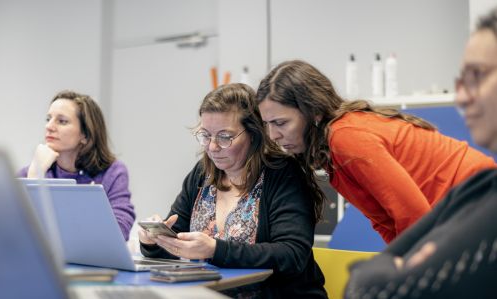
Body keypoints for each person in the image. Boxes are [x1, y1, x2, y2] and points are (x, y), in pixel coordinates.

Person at [344, 8, 497, 298]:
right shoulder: (478, 189)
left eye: (477, 76)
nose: (462, 97)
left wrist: (397, 268)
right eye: (461, 81)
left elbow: (370, 289)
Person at [256, 60, 496, 243]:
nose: (273, 135)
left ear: (314, 112)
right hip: (462, 206)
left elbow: (413, 216)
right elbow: (385, 221)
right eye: (267, 124)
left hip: (478, 197)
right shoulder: (331, 151)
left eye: (280, 123)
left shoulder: (345, 137)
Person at [138, 83, 327, 298]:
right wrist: (153, 241)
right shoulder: (202, 174)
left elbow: (292, 254)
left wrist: (216, 250)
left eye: (225, 137)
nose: (212, 147)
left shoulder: (282, 173)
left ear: (254, 134)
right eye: (205, 135)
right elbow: (178, 244)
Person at [18, 90, 135, 240]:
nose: (49, 126)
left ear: (85, 135)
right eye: (48, 119)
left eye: (62, 121)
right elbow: (13, 230)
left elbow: (119, 230)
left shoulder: (112, 173)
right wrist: (34, 177)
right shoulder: (31, 173)